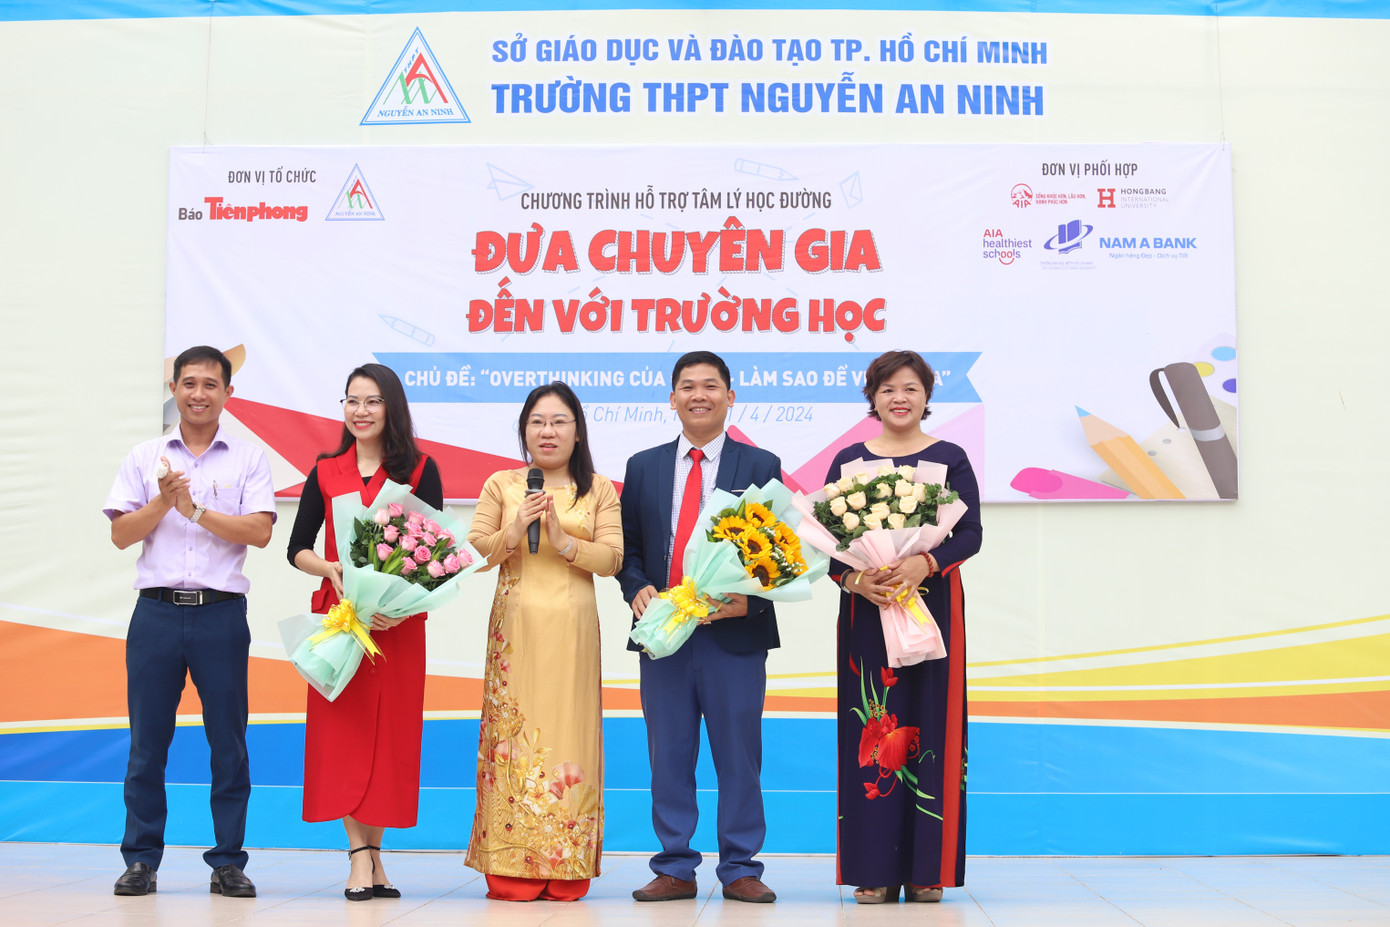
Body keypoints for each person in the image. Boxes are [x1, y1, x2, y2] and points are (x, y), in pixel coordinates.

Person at [103, 345, 275, 898]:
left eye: (210, 384)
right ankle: (140, 860)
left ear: (228, 393)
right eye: (189, 383)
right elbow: (121, 534)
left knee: (228, 742)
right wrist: (163, 503)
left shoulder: (248, 459)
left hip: (220, 616)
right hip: (155, 614)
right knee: (147, 744)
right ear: (174, 388)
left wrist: (195, 511)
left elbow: (260, 532)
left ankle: (227, 863)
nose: (199, 394)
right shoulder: (145, 456)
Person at [617, 351, 782, 904]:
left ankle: (740, 868)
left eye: (711, 386)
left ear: (730, 397)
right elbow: (629, 548)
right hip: (664, 633)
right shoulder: (643, 466)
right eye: (687, 386)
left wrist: (750, 604)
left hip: (732, 635)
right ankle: (674, 867)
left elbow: (779, 552)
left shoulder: (760, 464)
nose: (699, 395)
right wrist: (635, 587)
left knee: (739, 756)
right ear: (672, 399)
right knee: (668, 755)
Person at [826, 350, 982, 904]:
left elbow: (971, 534)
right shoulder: (848, 462)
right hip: (868, 614)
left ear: (927, 397)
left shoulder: (949, 458)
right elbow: (829, 548)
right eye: (888, 388)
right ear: (872, 397)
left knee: (932, 725)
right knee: (871, 730)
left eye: (911, 388)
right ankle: (872, 868)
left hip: (932, 609)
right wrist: (854, 580)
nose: (900, 398)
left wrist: (925, 563)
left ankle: (926, 870)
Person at [286, 363, 442, 901]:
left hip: (397, 623)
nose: (360, 410)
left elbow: (434, 551)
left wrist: (401, 603)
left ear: (391, 407)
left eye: (372, 401)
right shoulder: (326, 471)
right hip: (343, 619)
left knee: (389, 738)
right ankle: (358, 855)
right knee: (345, 737)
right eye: (352, 400)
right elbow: (296, 547)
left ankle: (375, 853)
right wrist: (328, 568)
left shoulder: (420, 470)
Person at [464, 381, 622, 902]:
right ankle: (510, 864)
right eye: (537, 422)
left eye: (559, 422)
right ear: (524, 430)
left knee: (571, 732)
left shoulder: (598, 489)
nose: (547, 431)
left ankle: (566, 864)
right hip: (516, 630)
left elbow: (612, 559)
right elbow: (473, 554)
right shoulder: (501, 484)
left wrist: (563, 540)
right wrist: (514, 531)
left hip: (573, 629)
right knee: (513, 737)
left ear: (578, 432)